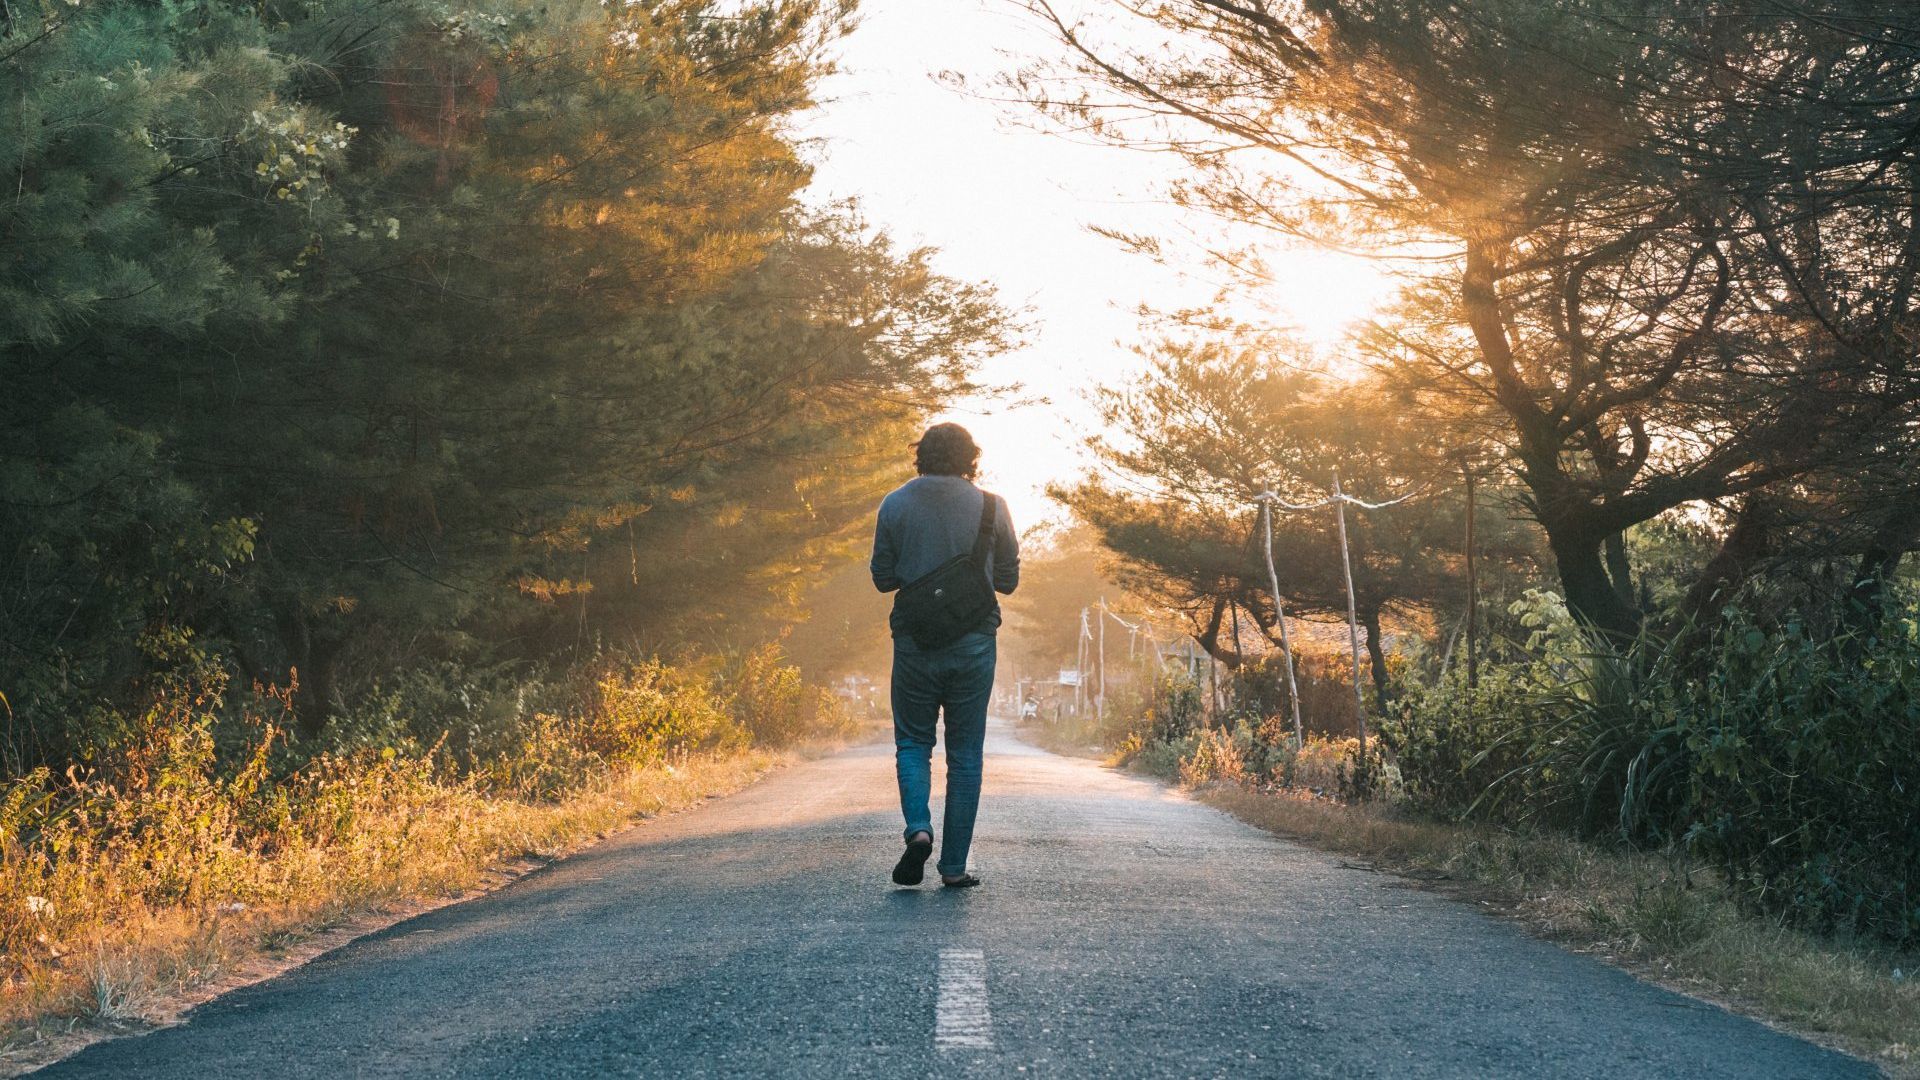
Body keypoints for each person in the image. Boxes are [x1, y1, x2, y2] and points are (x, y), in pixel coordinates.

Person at [869, 422, 1019, 888]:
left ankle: (918, 828)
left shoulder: (894, 504)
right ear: (970, 459)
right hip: (974, 644)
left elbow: (882, 578)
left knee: (913, 743)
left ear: (921, 456)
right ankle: (953, 866)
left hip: (914, 642)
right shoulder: (993, 507)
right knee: (966, 754)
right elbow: (1008, 581)